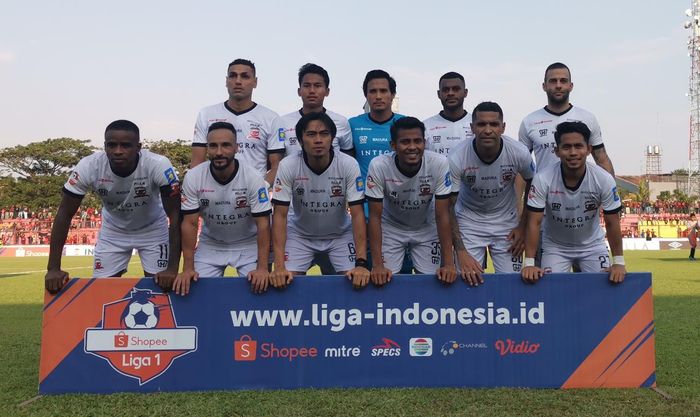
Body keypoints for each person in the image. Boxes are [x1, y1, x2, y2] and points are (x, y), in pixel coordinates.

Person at [44, 120, 181, 294]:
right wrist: (53, 268)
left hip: (152, 230)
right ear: (104, 146)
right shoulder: (89, 166)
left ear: (138, 147)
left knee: (161, 289)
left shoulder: (158, 164)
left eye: (125, 146)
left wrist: (172, 268)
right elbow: (64, 214)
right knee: (101, 292)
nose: (118, 151)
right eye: (112, 145)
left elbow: (176, 216)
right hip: (113, 231)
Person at [270, 112, 370, 289]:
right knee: (283, 282)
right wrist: (278, 266)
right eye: (311, 134)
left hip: (339, 235)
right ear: (300, 141)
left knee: (357, 282)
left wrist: (361, 264)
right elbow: (279, 216)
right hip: (300, 235)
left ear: (332, 138)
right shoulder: (288, 165)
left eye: (324, 134)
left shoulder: (348, 164)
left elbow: (357, 214)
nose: (318, 140)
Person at [173, 122, 272, 296]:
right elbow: (189, 223)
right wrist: (187, 268)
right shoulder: (194, 177)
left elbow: (263, 224)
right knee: (195, 293)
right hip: (211, 244)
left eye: (226, 145)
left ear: (236, 148)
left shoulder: (253, 178)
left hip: (247, 245)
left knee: (258, 293)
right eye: (213, 146)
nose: (219, 152)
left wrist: (263, 268)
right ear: (207, 149)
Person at [521, 121, 626, 284]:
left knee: (601, 290)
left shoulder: (603, 179)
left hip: (592, 246)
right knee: (552, 291)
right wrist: (528, 263)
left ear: (589, 149)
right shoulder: (543, 178)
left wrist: (619, 262)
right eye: (566, 147)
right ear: (556, 151)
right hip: (556, 247)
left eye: (578, 146)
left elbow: (612, 222)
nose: (573, 152)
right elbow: (534, 222)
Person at [448, 102, 535, 285]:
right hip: (469, 222)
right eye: (481, 124)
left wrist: (522, 226)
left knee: (513, 283)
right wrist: (460, 250)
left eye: (494, 124)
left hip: (507, 224)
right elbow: (449, 206)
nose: (488, 130)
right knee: (467, 282)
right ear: (472, 128)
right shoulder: (457, 156)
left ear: (503, 127)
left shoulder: (519, 153)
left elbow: (533, 187)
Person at [366, 117, 456, 285]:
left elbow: (442, 215)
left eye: (417, 141)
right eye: (405, 142)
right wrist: (377, 265)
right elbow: (374, 217)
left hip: (426, 228)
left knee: (432, 283)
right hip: (391, 228)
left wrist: (449, 264)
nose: (412, 147)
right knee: (383, 281)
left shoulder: (438, 163)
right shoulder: (378, 165)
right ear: (393, 146)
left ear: (425, 143)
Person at [190, 59, 282, 185]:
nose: (238, 81)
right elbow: (197, 162)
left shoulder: (271, 118)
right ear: (226, 81)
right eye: (233, 76)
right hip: (214, 194)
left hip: (254, 196)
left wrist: (261, 189)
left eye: (245, 76)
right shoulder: (206, 114)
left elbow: (276, 166)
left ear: (255, 82)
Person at [518, 62, 615, 175]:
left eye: (563, 81)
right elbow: (522, 167)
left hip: (581, 191)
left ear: (571, 86)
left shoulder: (587, 118)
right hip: (545, 191)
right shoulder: (529, 122)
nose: (558, 85)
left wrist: (612, 191)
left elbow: (602, 160)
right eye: (553, 81)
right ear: (544, 86)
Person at [271, 63, 353, 157]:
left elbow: (348, 157)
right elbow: (276, 161)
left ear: (327, 91)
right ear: (299, 91)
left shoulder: (341, 122)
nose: (312, 91)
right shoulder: (282, 122)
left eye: (317, 86)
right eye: (307, 85)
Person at [349, 69, 404, 180]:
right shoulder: (352, 124)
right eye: (373, 91)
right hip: (362, 195)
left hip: (397, 194)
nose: (378, 96)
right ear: (366, 95)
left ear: (392, 94)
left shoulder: (404, 124)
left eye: (383, 91)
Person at [423, 72, 474, 155]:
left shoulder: (477, 124)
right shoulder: (425, 127)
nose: (450, 93)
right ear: (439, 94)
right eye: (446, 90)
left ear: (465, 93)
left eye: (456, 89)